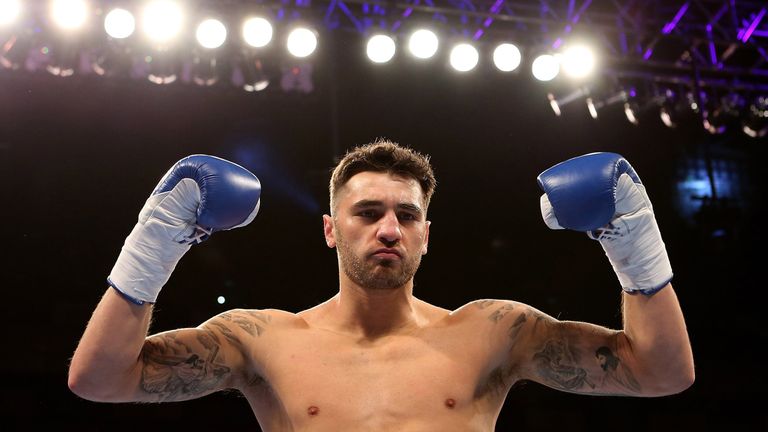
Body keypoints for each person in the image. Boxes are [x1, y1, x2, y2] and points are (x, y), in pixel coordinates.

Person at [68, 140, 695, 431]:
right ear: (331, 230)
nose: (389, 230)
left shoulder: (492, 332)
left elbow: (660, 373)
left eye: (407, 215)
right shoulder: (261, 339)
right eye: (368, 214)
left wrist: (631, 242)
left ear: (427, 234)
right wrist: (154, 246)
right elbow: (100, 382)